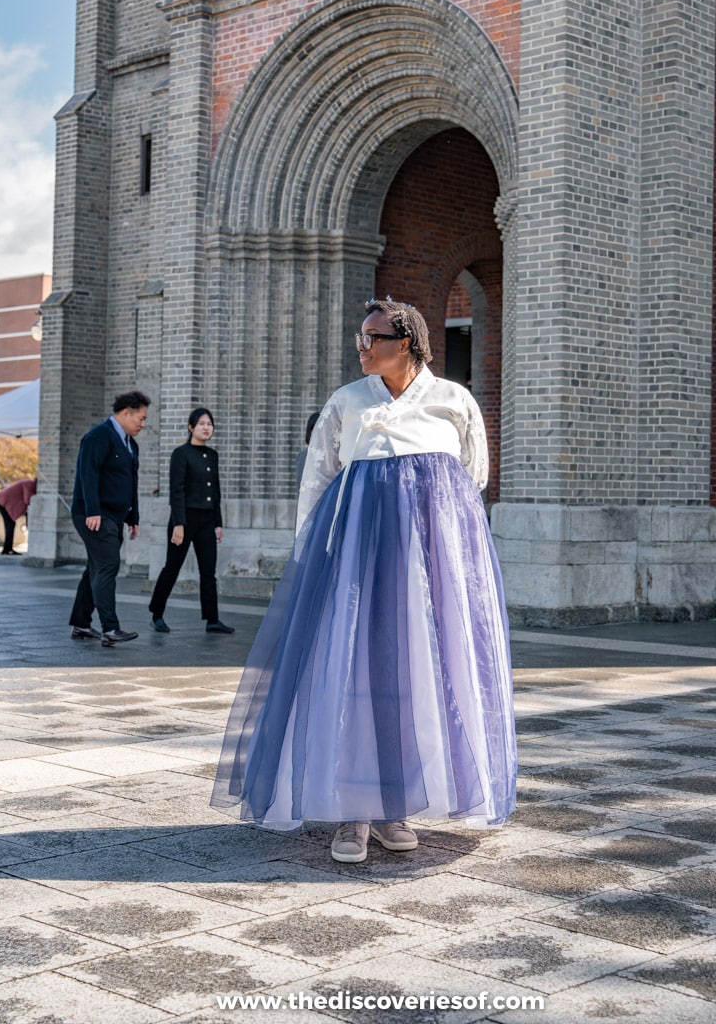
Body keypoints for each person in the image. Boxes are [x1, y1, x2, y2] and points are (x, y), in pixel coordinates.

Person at [212, 298, 516, 864]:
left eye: (373, 337)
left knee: (418, 677)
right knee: (352, 673)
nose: (362, 347)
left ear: (408, 343)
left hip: (429, 568)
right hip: (355, 563)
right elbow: (319, 479)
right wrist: (312, 554)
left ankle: (393, 804)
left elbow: (471, 481)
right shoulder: (347, 403)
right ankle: (352, 812)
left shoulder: (454, 401)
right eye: (360, 337)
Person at [68, 390, 150, 647]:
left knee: (96, 566)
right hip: (93, 514)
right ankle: (110, 629)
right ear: (127, 412)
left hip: (114, 515)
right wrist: (93, 510)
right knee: (107, 566)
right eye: (141, 418)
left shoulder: (130, 444)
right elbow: (87, 474)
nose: (143, 424)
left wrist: (133, 517)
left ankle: (81, 623)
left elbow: (131, 483)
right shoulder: (98, 436)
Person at [149, 407, 233, 635]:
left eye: (210, 424)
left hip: (206, 520)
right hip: (184, 520)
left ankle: (212, 619)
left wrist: (218, 523)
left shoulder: (212, 455)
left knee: (208, 571)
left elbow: (216, 492)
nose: (206, 428)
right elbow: (176, 491)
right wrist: (178, 523)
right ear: (191, 427)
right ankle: (156, 614)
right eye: (202, 424)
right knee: (172, 568)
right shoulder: (180, 454)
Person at [0, 477, 37, 555]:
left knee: (10, 524)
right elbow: (27, 499)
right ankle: (7, 549)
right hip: (2, 500)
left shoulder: (30, 484)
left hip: (3, 500)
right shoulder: (29, 484)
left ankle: (7, 548)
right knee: (10, 524)